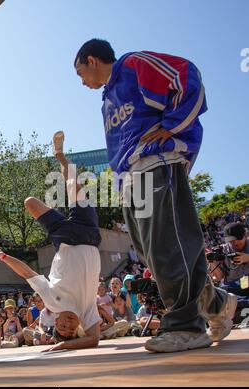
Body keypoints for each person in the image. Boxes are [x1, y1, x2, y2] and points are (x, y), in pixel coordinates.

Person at [74, 39, 237, 352]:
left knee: (168, 250)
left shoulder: (134, 64)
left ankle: (187, 328)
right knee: (153, 258)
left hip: (156, 164)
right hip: (129, 180)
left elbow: (185, 75)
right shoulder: (107, 99)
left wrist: (171, 124)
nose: (82, 82)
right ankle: (217, 302)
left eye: (80, 73)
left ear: (92, 60)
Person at [0, 131, 102, 351]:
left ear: (55, 321)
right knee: (74, 187)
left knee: (30, 202)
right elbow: (93, 339)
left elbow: (27, 273)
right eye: (70, 330)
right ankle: (61, 156)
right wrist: (62, 346)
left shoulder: (50, 302)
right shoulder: (87, 312)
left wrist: (2, 256)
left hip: (65, 239)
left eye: (62, 327)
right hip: (90, 235)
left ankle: (57, 166)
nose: (67, 325)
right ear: (78, 327)